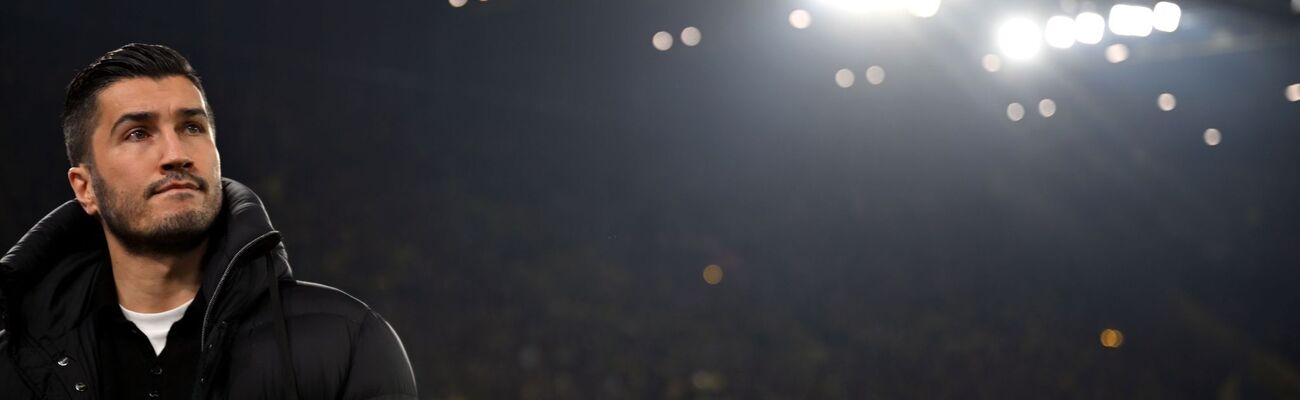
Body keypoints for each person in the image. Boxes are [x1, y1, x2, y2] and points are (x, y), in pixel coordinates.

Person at [0, 43, 418, 399]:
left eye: (192, 127)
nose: (176, 152)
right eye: (138, 133)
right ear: (85, 188)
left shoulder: (347, 340)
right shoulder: (16, 358)